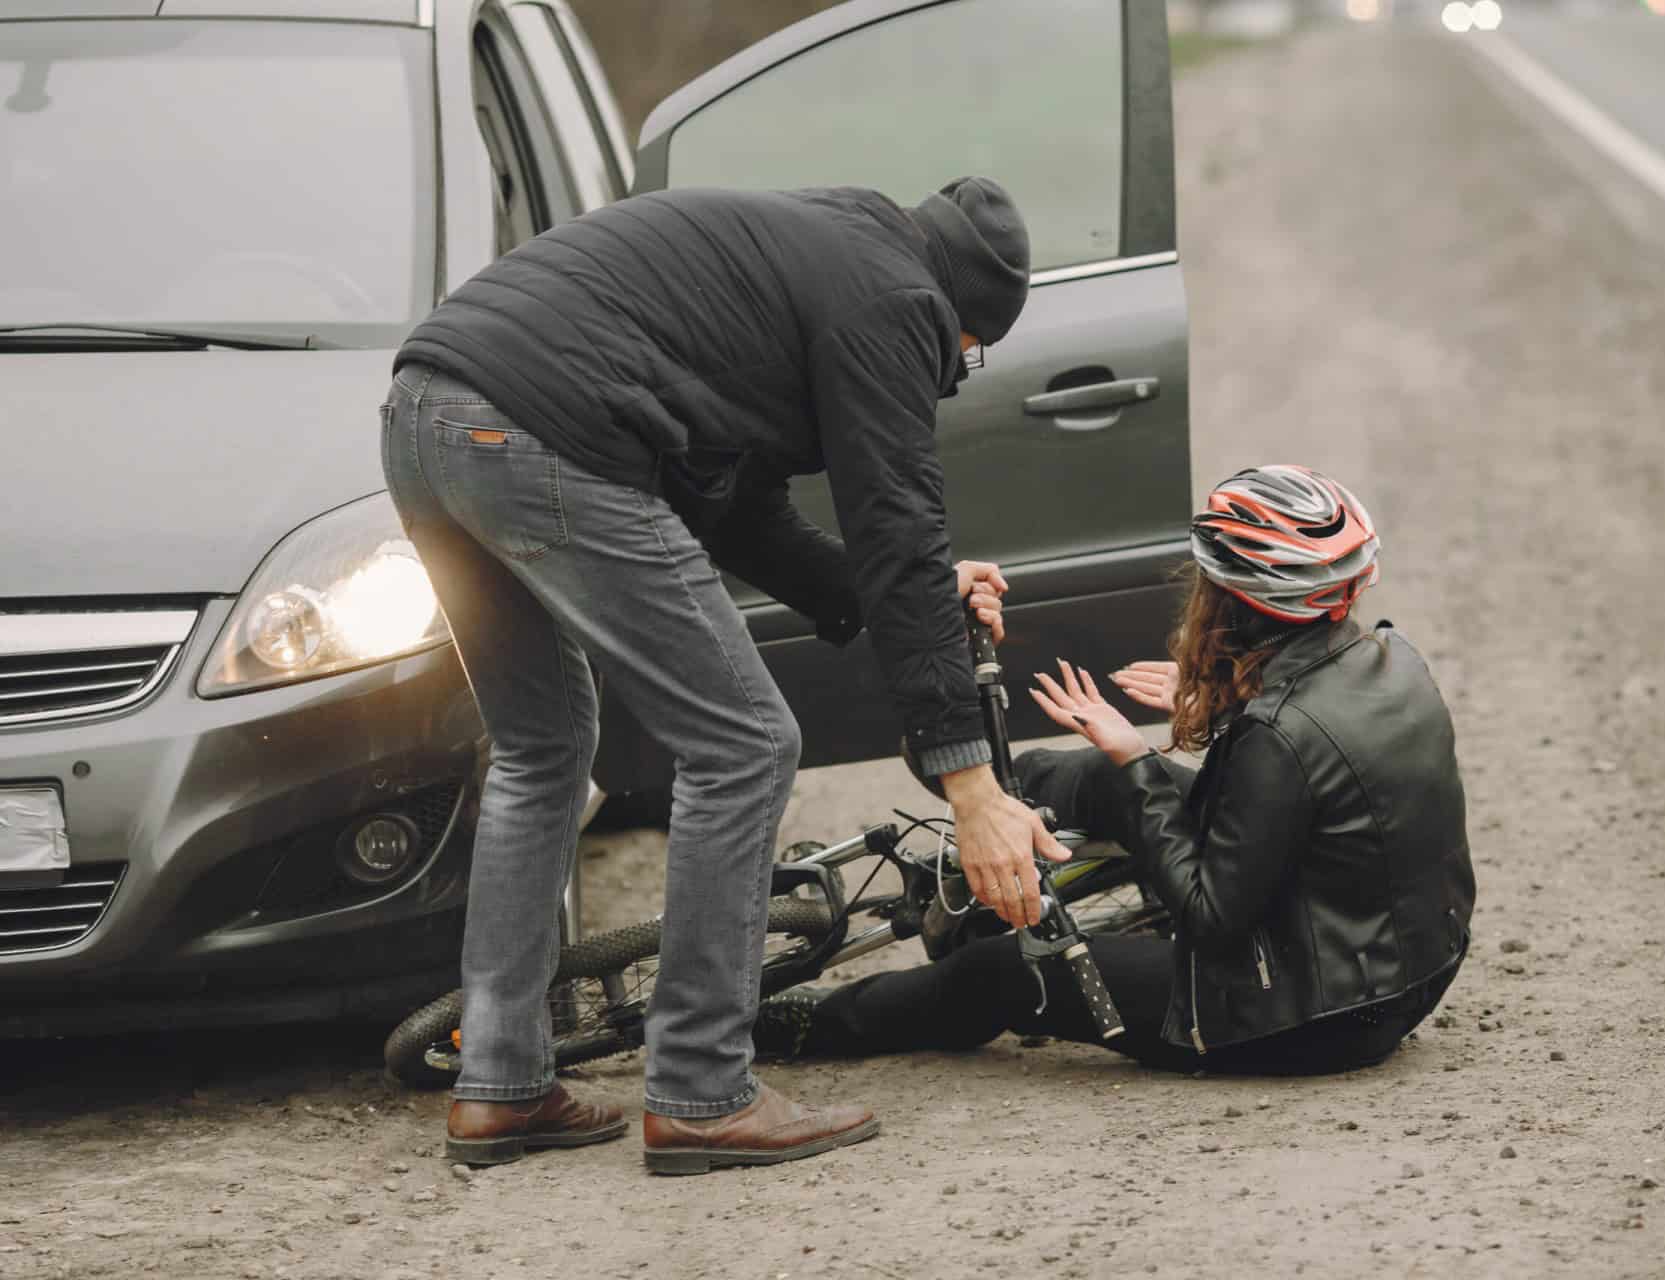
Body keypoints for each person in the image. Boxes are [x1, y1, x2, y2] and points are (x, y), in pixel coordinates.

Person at [380, 178, 1071, 1174]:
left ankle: (500, 1083)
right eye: (964, 358)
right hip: (538, 427)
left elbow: (745, 511)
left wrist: (901, 594)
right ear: (960, 318)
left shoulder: (821, 253)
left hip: (424, 417)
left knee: (541, 747)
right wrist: (973, 783)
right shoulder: (897, 301)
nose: (952, 372)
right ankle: (702, 1086)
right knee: (743, 741)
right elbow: (900, 527)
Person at [753, 465, 1476, 1076]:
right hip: (1404, 964)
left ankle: (794, 1030)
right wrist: (1219, 704)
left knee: (997, 974)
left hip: (1310, 1015)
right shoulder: (1390, 659)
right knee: (1106, 779)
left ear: (1236, 601)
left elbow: (1209, 916)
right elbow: (1321, 780)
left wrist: (1137, 756)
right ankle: (991, 803)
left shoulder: (1275, 738)